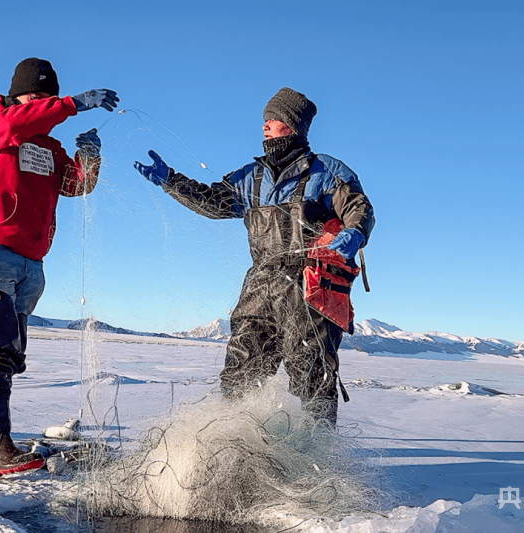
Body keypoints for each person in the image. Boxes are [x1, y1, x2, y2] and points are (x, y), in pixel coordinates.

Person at [134, 87, 374, 426]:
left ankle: (319, 453)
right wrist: (171, 181)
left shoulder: (327, 171)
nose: (265, 125)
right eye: (265, 119)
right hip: (260, 284)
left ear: (293, 125)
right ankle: (234, 441)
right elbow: (213, 202)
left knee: (311, 372)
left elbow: (358, 207)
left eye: (274, 119)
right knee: (241, 367)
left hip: (308, 286)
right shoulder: (251, 177)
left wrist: (356, 231)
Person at [0, 58, 119, 478]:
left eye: (47, 97)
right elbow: (12, 126)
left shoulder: (48, 147)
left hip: (31, 259)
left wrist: (88, 157)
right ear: (16, 95)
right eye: (35, 96)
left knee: (4, 349)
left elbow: (74, 185)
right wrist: (73, 104)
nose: (41, 103)